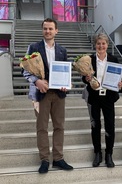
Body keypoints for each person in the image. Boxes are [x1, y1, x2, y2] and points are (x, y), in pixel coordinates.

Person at [23, 18, 73, 174]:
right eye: (45, 28)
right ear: (42, 30)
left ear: (56, 31)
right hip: (40, 94)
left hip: (58, 94)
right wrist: (36, 81)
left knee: (59, 126)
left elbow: (66, 71)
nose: (48, 31)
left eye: (51, 29)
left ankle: (58, 158)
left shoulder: (62, 50)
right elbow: (24, 70)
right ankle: (44, 159)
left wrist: (66, 84)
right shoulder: (33, 47)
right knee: (42, 128)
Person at [82, 33, 122, 168]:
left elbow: (118, 78)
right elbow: (84, 78)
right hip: (94, 97)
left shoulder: (113, 59)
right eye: (99, 43)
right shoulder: (89, 59)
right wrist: (86, 79)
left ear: (107, 45)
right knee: (95, 126)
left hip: (108, 97)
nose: (101, 46)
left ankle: (109, 154)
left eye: (104, 43)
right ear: (95, 45)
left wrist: (120, 84)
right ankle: (97, 153)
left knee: (110, 125)